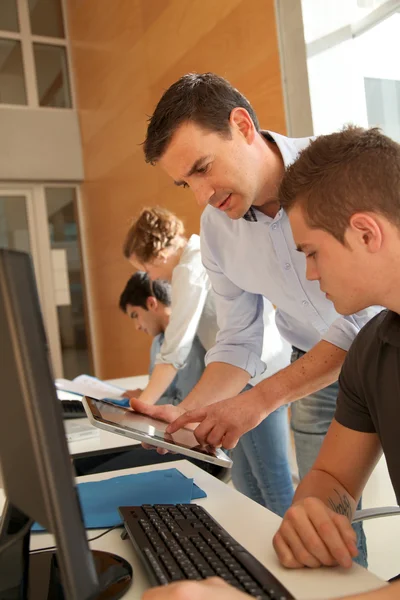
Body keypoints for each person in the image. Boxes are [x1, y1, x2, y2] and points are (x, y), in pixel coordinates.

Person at [141, 126, 400, 600]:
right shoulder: (371, 349)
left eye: (312, 253)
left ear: (366, 232)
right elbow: (333, 479)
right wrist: (314, 512)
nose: (309, 274)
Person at [122, 206, 219, 406]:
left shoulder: (189, 270)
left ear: (160, 255)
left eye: (147, 270)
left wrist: (142, 405)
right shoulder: (196, 253)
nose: (151, 279)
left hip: (252, 374)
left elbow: (176, 350)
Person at [119, 271, 206, 405]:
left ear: (151, 304)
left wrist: (144, 398)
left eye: (135, 315)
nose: (137, 326)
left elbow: (186, 405)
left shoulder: (189, 342)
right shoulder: (158, 342)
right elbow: (166, 394)